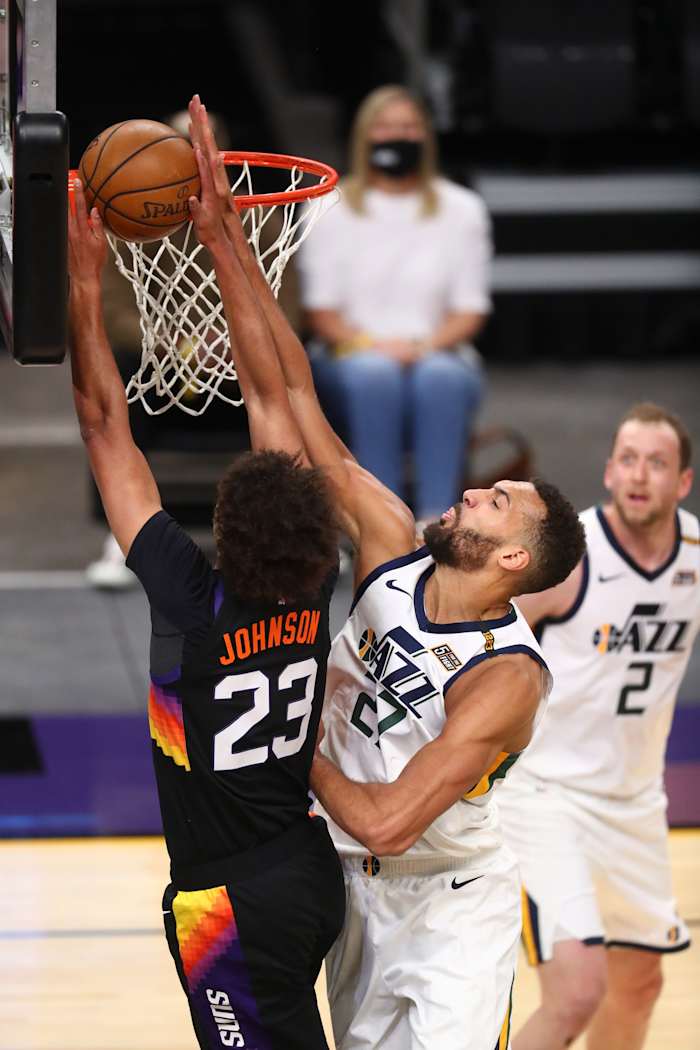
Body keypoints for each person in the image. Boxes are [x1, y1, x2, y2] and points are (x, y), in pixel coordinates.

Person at [185, 96, 587, 1050]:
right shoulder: (388, 544)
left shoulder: (505, 678)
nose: (477, 493)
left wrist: (283, 736)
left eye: (498, 502)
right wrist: (223, 237)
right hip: (351, 901)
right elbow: (283, 391)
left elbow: (392, 823)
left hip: (451, 908)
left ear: (514, 560)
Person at [67, 110, 345, 1049]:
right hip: (310, 870)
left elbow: (108, 425)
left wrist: (82, 277)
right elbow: (274, 395)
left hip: (229, 902)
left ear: (224, 528)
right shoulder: (316, 586)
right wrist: (228, 238)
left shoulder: (195, 604)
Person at [497, 402, 698, 1050]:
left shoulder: (695, 555)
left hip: (636, 806)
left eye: (658, 463)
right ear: (609, 471)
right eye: (630, 460)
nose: (641, 475)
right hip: (546, 797)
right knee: (577, 993)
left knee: (637, 988)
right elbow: (482, 640)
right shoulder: (571, 559)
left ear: (683, 482)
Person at [297, 84, 491, 530]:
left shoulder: (462, 209)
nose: (396, 136)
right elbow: (323, 316)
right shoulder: (329, 206)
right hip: (349, 355)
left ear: (426, 137)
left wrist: (420, 347)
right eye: (385, 127)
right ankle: (382, 524)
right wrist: (375, 346)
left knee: (441, 376)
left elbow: (468, 311)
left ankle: (436, 525)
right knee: (373, 374)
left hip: (438, 352)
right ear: (364, 136)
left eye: (407, 128)